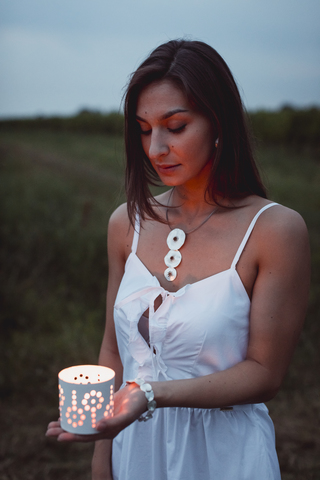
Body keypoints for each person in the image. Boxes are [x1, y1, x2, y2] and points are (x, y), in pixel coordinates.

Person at [46, 39, 310, 480]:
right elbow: (114, 348)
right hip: (135, 449)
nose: (155, 148)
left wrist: (150, 396)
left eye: (176, 126)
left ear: (218, 122)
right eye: (145, 129)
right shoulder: (126, 222)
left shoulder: (275, 231)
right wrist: (101, 455)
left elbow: (266, 373)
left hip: (225, 454)